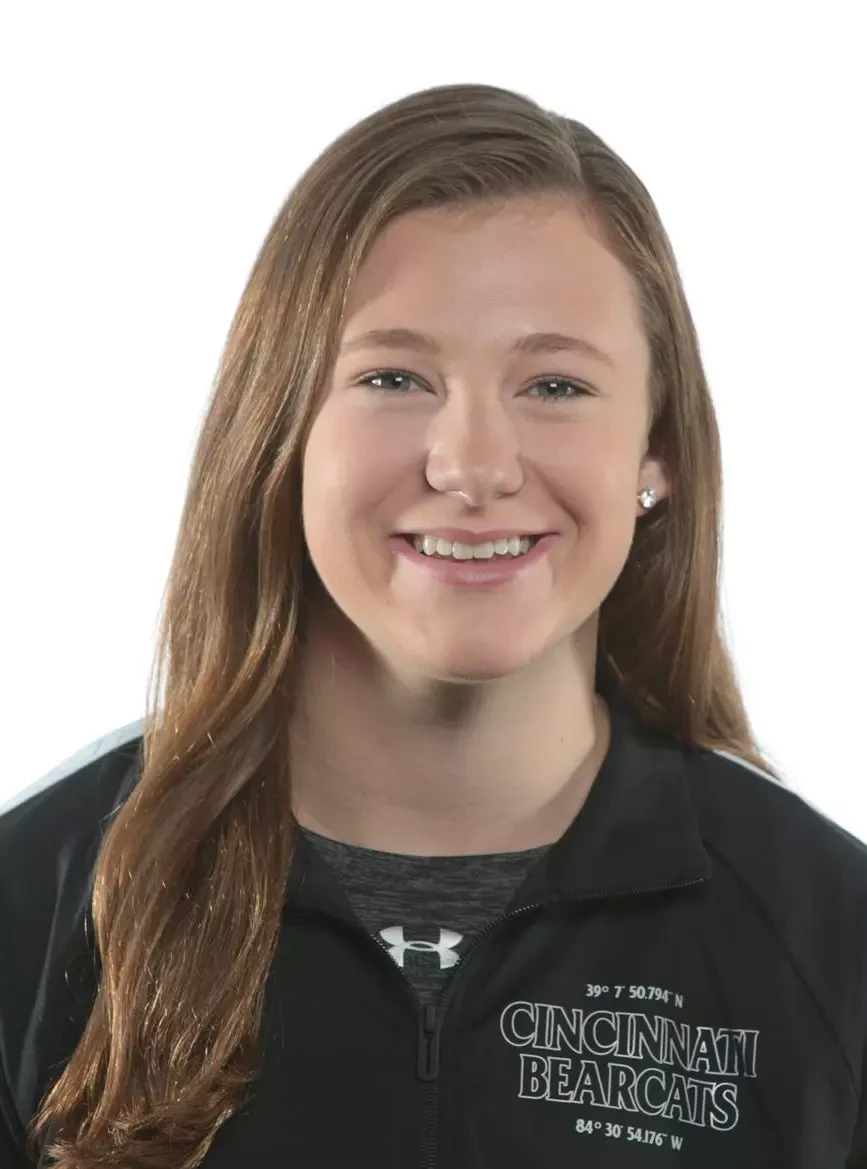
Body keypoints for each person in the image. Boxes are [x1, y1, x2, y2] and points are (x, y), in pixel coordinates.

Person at [1, 82, 865, 1169]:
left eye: (556, 385)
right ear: (279, 434)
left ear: (657, 454)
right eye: (394, 376)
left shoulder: (831, 940)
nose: (472, 465)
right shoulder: (37, 906)